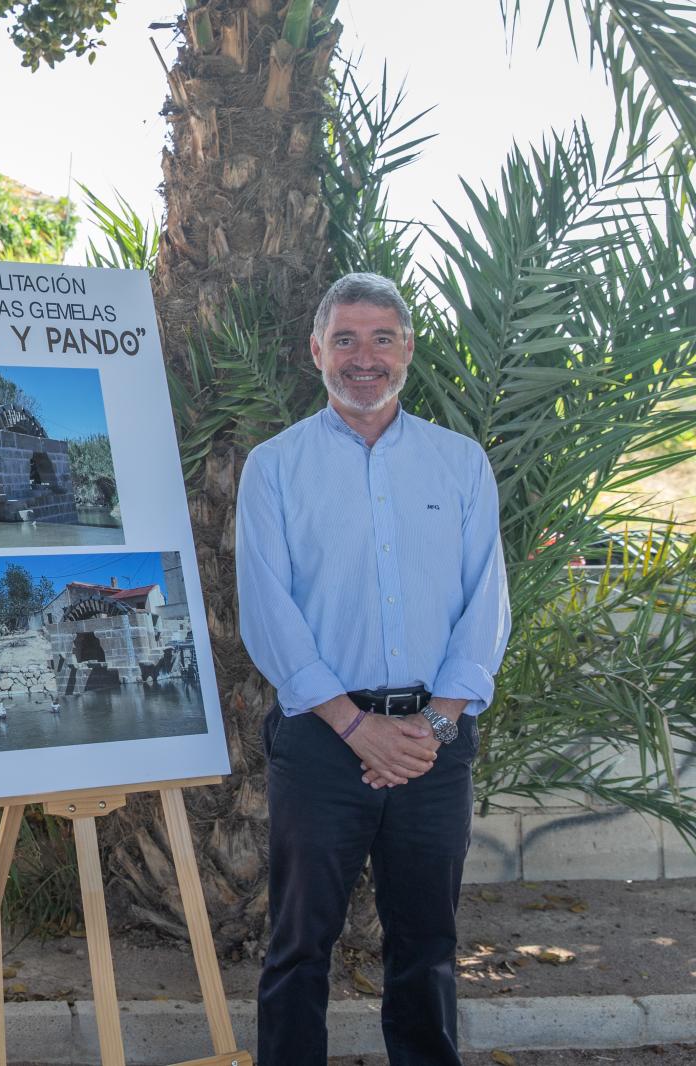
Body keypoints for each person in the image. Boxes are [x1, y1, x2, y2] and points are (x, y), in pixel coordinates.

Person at [236, 272, 511, 1065]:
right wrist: (356, 726)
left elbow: (486, 603)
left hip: (434, 744)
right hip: (322, 742)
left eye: (382, 338)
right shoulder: (275, 467)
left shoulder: (459, 463)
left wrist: (432, 726)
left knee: (428, 945)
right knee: (299, 945)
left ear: (407, 350)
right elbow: (268, 609)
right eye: (346, 339)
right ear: (316, 350)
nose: (365, 358)